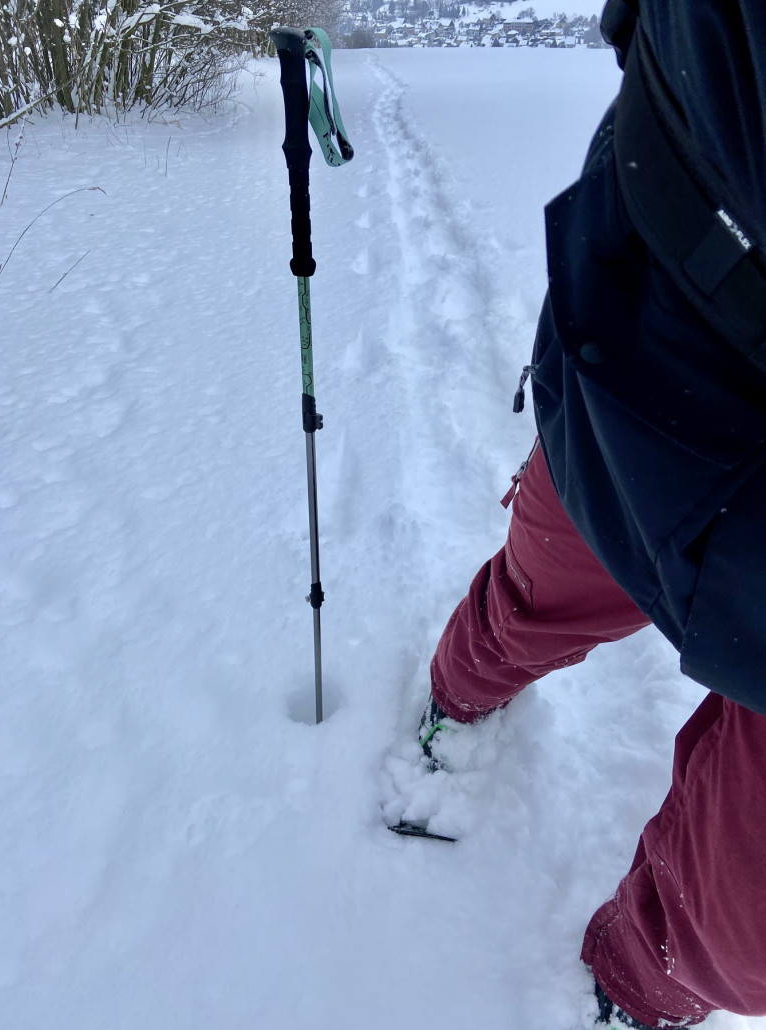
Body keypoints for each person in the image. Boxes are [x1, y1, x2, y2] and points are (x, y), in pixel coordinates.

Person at [419, 2, 766, 1028]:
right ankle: (451, 705)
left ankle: (628, 984)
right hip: (649, 372)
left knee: (745, 927)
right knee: (532, 599)